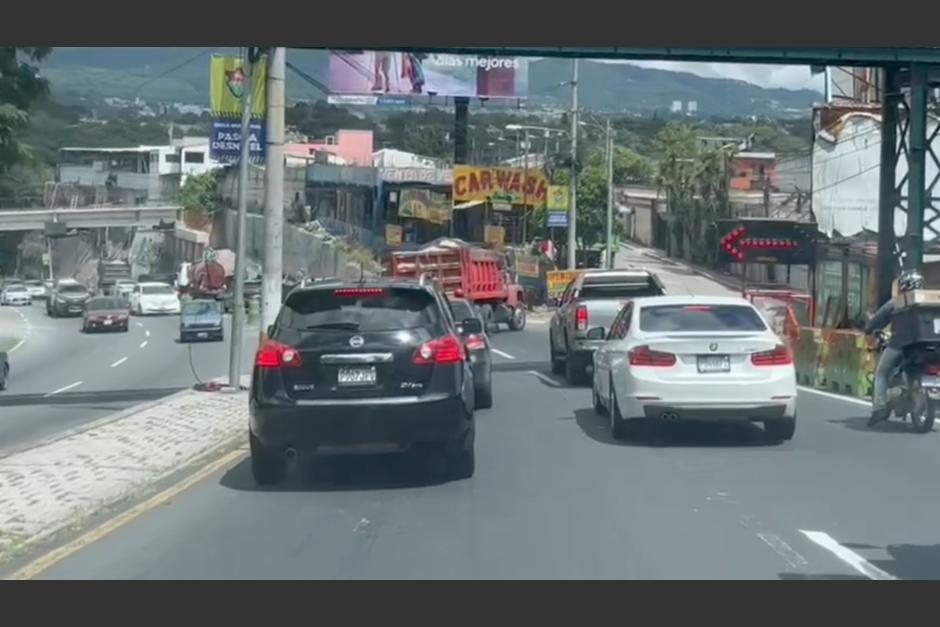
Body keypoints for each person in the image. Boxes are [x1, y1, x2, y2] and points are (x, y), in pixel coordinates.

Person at [865, 270, 926, 425]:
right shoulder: (930, 301)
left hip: (900, 345)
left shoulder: (897, 302)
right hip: (928, 347)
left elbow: (877, 320)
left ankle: (879, 408)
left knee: (881, 373)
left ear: (904, 286)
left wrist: (869, 329)